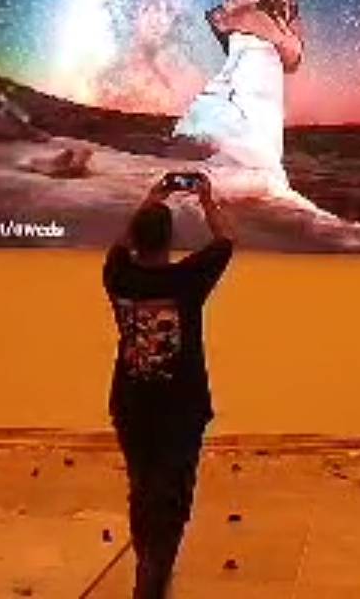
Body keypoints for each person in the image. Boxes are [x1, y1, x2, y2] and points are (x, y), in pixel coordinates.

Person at [103, 172, 236, 598]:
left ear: (136, 239)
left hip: (131, 404)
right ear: (171, 240)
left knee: (142, 489)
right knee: (172, 496)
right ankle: (152, 577)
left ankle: (149, 567)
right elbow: (226, 241)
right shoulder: (186, 281)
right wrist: (206, 199)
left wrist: (152, 197)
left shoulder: (117, 274)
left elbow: (119, 244)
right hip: (181, 408)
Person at [169, 0, 303, 193]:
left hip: (241, 89)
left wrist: (240, 6)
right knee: (256, 156)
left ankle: (205, 181)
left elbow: (217, 19)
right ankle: (207, 182)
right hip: (250, 89)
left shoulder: (244, 21)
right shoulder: (260, 24)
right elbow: (292, 59)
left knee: (247, 152)